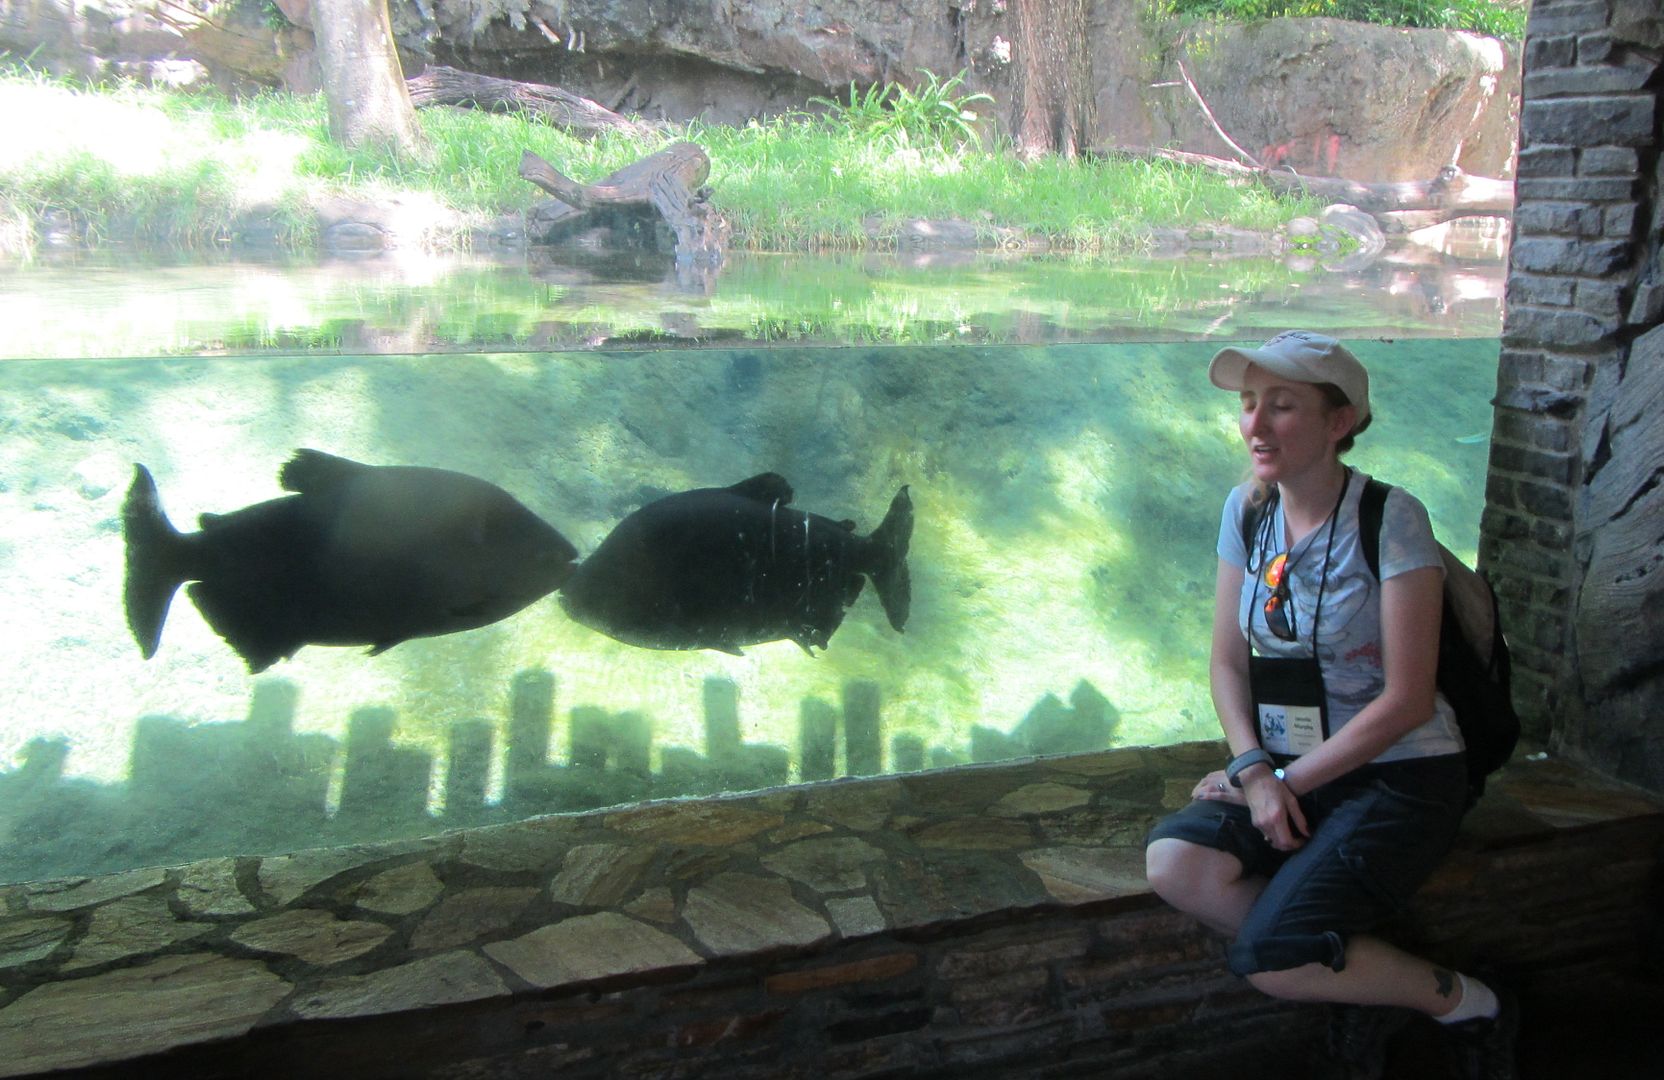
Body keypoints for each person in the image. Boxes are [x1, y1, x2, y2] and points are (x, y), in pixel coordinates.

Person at [1143, 331, 1518, 1079]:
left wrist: (1283, 785)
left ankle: (1474, 1004)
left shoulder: (1392, 518)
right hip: (1290, 765)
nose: (1255, 424)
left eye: (1282, 406)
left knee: (1273, 961)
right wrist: (1254, 771)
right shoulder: (1247, 511)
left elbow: (1408, 700)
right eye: (1250, 404)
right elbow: (1227, 661)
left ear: (1339, 422)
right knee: (1174, 862)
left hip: (1401, 774)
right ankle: (1352, 971)